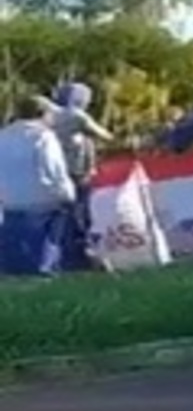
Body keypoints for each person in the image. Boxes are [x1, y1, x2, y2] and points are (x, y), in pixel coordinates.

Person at [35, 82, 113, 270]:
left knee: (55, 218)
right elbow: (104, 135)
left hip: (49, 175)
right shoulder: (75, 116)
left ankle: (55, 257)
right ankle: (78, 258)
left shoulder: (48, 114)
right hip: (75, 174)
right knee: (79, 217)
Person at [0, 96, 76, 276]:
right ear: (43, 114)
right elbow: (54, 171)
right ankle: (48, 263)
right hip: (41, 200)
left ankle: (13, 263)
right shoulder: (44, 137)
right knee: (64, 210)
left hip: (9, 201)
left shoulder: (2, 136)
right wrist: (68, 194)